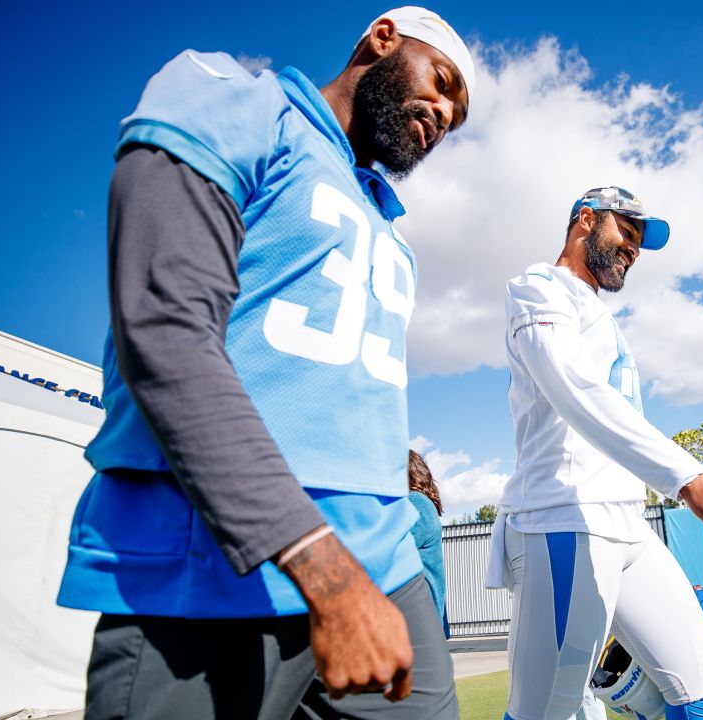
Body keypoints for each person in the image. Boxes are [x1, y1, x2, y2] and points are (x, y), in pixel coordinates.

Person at [55, 7, 473, 719]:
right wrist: (324, 570)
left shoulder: (386, 220)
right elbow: (166, 325)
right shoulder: (239, 101)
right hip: (218, 557)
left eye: (457, 116)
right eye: (441, 82)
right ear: (382, 38)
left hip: (383, 561)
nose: (442, 112)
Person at [489, 187, 703, 720]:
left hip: (628, 526)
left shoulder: (598, 313)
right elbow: (574, 390)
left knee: (701, 696)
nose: (634, 249)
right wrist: (690, 477)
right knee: (542, 714)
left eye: (641, 241)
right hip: (563, 522)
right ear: (585, 220)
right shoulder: (538, 288)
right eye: (627, 232)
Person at [408, 449, 450, 637]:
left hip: (419, 625)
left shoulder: (416, 503)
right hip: (422, 623)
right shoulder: (421, 504)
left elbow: (383, 550)